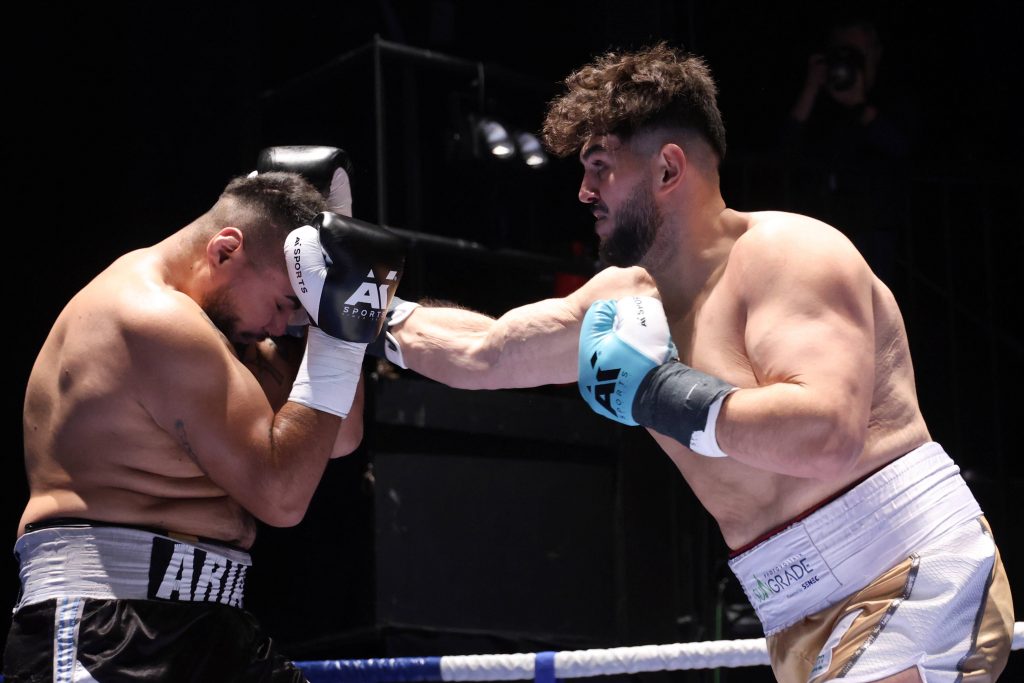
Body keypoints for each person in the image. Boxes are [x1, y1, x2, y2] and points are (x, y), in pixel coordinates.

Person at [374, 44, 1014, 682]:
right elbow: (486, 353)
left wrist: (660, 393)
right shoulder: (625, 303)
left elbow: (827, 437)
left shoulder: (789, 255)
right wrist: (366, 310)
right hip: (793, 606)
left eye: (601, 167)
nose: (584, 190)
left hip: (905, 569)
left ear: (668, 169)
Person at [7, 165, 406, 680]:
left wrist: (331, 303)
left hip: (214, 619)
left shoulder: (224, 332)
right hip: (109, 621)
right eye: (287, 302)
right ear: (224, 249)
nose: (283, 324)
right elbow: (282, 495)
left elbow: (338, 438)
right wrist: (338, 337)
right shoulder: (150, 318)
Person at [780, 16, 913, 286]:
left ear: (874, 53)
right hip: (821, 228)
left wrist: (859, 105)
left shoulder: (893, 96)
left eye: (855, 53)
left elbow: (902, 148)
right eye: (841, 52)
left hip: (874, 231)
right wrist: (812, 87)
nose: (847, 59)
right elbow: (784, 149)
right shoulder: (820, 102)